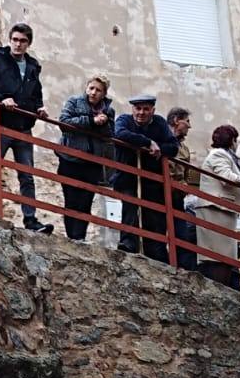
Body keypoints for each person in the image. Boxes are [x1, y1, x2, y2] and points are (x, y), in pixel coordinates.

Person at [0, 24, 52, 234]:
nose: (18, 44)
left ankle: (31, 219)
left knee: (26, 175)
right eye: (15, 40)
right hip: (0, 124)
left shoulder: (32, 66)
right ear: (10, 39)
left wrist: (40, 108)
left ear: (29, 43)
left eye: (23, 41)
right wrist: (1, 99)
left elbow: (36, 94)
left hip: (23, 127)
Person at [191, 124, 240, 286]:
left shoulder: (223, 155)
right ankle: (214, 288)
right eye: (236, 140)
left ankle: (218, 287)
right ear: (232, 140)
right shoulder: (219, 154)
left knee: (223, 255)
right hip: (216, 208)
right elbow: (226, 177)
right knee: (217, 255)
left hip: (222, 209)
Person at [110, 94, 178, 259]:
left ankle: (156, 251)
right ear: (132, 109)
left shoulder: (159, 123)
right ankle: (129, 244)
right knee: (131, 207)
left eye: (146, 109)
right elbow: (120, 134)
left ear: (152, 110)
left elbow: (173, 147)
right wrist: (147, 142)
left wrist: (158, 147)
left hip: (152, 180)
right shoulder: (124, 120)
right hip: (127, 177)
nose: (141, 112)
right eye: (138, 108)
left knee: (154, 216)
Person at [55, 76, 115, 241]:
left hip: (92, 163)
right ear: (86, 88)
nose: (93, 93)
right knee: (71, 201)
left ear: (104, 93)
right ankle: (71, 237)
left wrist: (103, 124)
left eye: (98, 90)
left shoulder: (108, 110)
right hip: (70, 160)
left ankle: (79, 238)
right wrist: (90, 121)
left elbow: (110, 136)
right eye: (91, 88)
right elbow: (64, 122)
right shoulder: (74, 102)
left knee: (85, 203)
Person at [166, 106, 200, 269]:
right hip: (161, 191)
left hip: (178, 195)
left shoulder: (184, 149)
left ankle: (183, 269)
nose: (189, 126)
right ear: (175, 121)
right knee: (157, 230)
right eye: (187, 121)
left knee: (182, 233)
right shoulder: (162, 138)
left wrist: (184, 186)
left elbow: (186, 173)